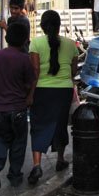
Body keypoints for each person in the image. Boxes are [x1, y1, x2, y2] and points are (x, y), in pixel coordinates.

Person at [0, 22, 35, 188]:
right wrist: (29, 97)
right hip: (18, 109)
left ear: (7, 37)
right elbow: (30, 83)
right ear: (25, 40)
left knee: (1, 138)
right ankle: (15, 175)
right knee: (18, 142)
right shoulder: (25, 59)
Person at [28, 10, 78, 184]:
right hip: (64, 91)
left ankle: (36, 165)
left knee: (39, 125)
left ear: (42, 26)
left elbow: (34, 72)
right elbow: (73, 71)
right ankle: (60, 160)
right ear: (59, 26)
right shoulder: (71, 44)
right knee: (60, 124)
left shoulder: (35, 43)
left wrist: (30, 95)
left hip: (42, 90)